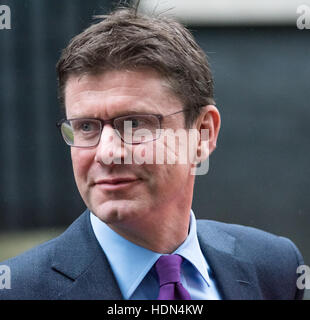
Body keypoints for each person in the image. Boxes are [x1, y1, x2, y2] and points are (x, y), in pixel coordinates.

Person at [0, 7, 304, 300]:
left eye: (134, 125)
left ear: (203, 133)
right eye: (87, 127)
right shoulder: (17, 290)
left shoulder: (274, 269)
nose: (106, 153)